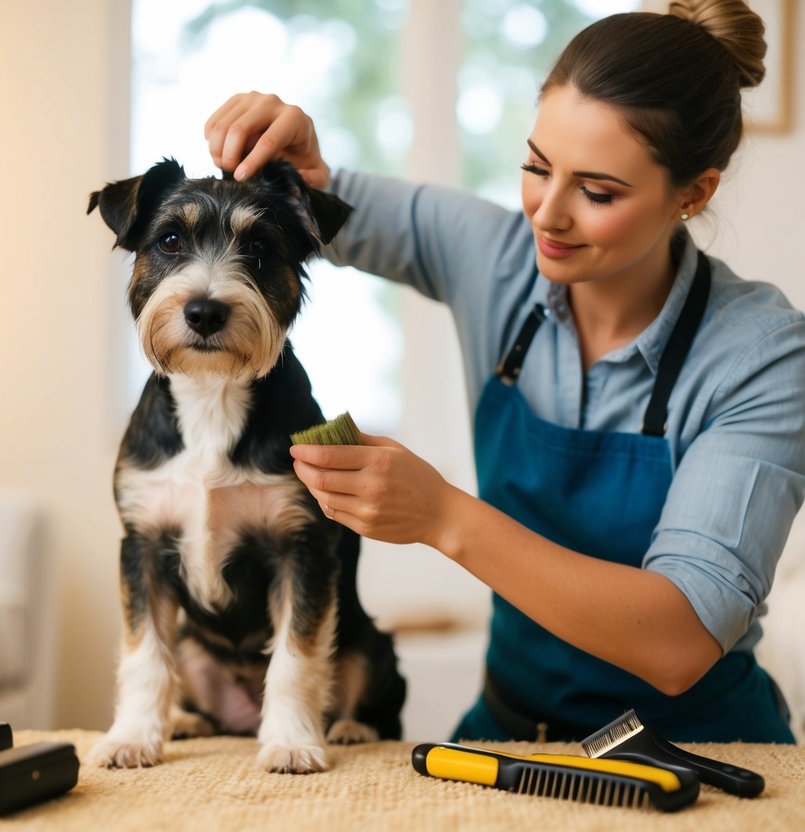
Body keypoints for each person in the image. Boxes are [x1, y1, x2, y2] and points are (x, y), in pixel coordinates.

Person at [204, 0, 804, 743]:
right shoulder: (494, 258)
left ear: (692, 193)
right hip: (510, 735)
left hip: (704, 750)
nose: (544, 216)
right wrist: (294, 166)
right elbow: (321, 201)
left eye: (597, 192)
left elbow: (678, 641)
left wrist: (441, 516)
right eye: (535, 166)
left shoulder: (759, 354)